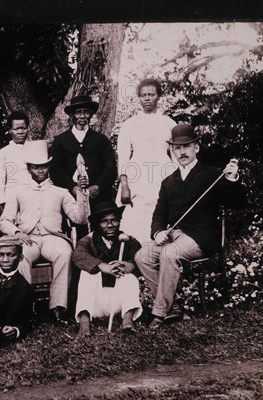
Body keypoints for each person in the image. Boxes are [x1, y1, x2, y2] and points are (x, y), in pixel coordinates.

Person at [134, 124, 246, 328]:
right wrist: (157, 232)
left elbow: (238, 204)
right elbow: (159, 214)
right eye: (177, 148)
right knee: (142, 256)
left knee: (169, 253)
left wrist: (232, 179)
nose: (182, 152)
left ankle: (159, 314)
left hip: (201, 237)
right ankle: (175, 305)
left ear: (197, 147)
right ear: (172, 151)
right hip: (174, 236)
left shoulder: (213, 174)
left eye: (186, 146)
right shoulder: (168, 182)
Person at [0, 140, 87, 324]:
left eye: (44, 167)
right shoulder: (17, 192)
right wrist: (16, 233)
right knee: (20, 257)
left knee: (64, 253)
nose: (41, 171)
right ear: (29, 168)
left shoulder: (60, 192)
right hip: (27, 237)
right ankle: (25, 306)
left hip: (53, 238)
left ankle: (58, 307)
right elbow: (4, 221)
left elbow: (79, 219)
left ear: (48, 167)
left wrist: (81, 193)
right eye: (36, 167)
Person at [115, 78, 177, 244]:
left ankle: (160, 260)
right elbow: (123, 157)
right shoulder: (130, 124)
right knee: (136, 220)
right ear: (139, 98)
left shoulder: (169, 124)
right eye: (143, 95)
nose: (147, 98)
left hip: (163, 174)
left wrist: (178, 184)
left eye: (151, 94)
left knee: (161, 213)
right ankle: (136, 261)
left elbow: (176, 156)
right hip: (138, 177)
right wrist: (125, 186)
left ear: (158, 96)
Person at [71, 201, 143, 336]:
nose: (110, 225)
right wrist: (102, 266)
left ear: (119, 221)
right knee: (87, 274)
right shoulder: (89, 240)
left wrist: (130, 265)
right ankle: (84, 322)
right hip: (95, 303)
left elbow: (140, 256)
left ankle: (127, 320)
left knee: (129, 277)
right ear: (98, 224)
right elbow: (77, 255)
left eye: (114, 220)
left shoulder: (128, 240)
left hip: (120, 302)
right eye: (104, 222)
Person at [50, 94, 117, 234]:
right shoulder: (61, 141)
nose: (82, 116)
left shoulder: (101, 140)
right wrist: (73, 188)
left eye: (85, 112)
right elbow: (55, 170)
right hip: (70, 198)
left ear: (90, 114)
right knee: (75, 232)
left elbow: (110, 167)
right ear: (72, 115)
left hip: (98, 197)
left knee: (101, 231)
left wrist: (98, 186)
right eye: (78, 112)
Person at [0, 111, 32, 216]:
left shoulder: (35, 150)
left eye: (23, 128)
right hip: (13, 204)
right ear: (10, 130)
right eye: (16, 129)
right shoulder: (1, 154)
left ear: (28, 128)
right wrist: (5, 214)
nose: (20, 132)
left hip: (34, 201)